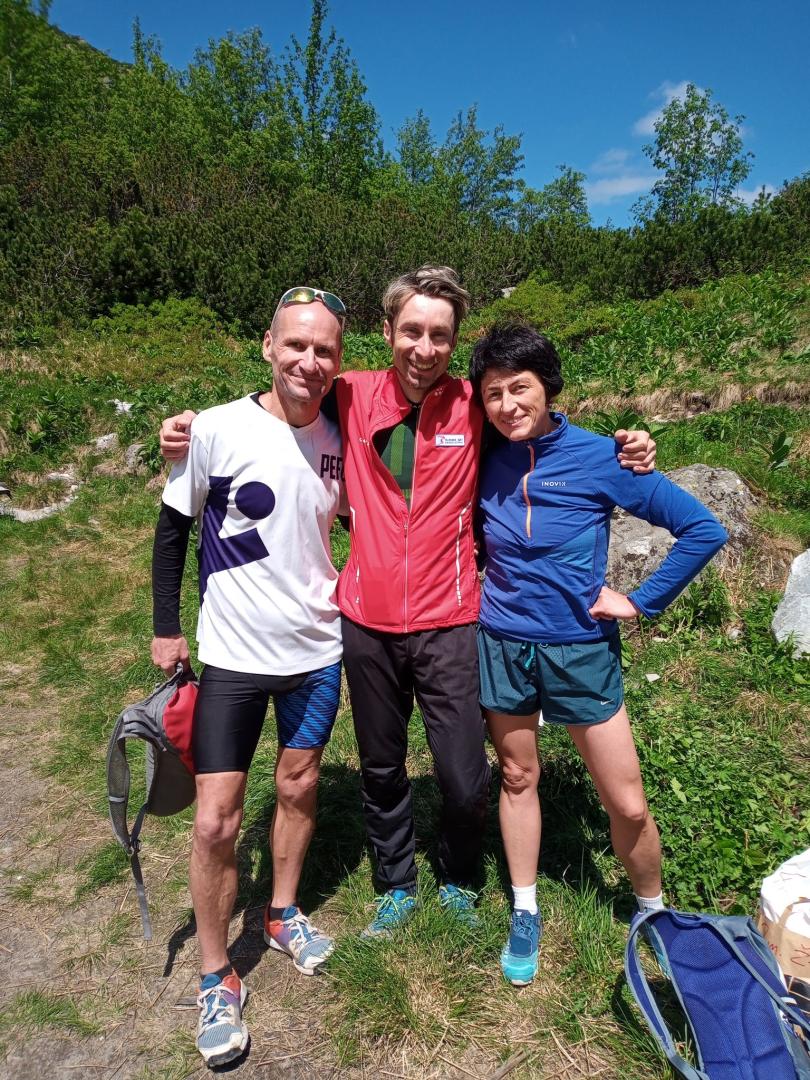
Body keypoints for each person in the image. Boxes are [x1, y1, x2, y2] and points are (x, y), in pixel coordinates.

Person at [160, 267, 658, 939]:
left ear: (454, 341)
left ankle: (459, 875)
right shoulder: (349, 393)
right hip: (365, 620)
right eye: (413, 332)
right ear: (388, 331)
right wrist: (192, 427)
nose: (425, 348)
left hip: (451, 617)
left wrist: (623, 447)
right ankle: (395, 883)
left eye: (440, 336)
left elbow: (536, 423)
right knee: (381, 764)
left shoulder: (474, 404)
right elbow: (279, 404)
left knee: (463, 773)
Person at [467, 323, 728, 986]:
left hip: (580, 648)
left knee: (628, 802)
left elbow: (702, 529)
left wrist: (641, 601)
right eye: (492, 393)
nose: (507, 405)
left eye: (519, 387)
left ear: (548, 386)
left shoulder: (602, 457)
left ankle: (653, 913)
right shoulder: (480, 453)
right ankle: (525, 907)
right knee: (517, 777)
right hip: (502, 641)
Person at [151, 286, 347, 1066]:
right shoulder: (214, 428)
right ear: (268, 346)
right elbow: (172, 531)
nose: (308, 360)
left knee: (299, 786)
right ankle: (215, 975)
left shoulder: (342, 435)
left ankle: (281, 912)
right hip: (232, 656)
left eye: (324, 349)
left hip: (317, 653)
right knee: (215, 823)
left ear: (339, 360)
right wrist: (166, 627)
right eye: (295, 344)